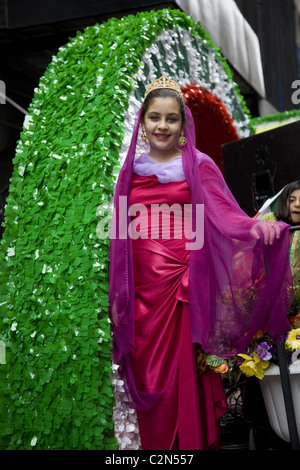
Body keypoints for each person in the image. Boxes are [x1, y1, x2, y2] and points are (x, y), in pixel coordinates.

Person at [108, 76, 294, 450]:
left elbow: (224, 216)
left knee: (183, 378)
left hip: (181, 284)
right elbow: (118, 232)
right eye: (155, 118)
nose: (162, 126)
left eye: (171, 119)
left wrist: (259, 231)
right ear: (142, 122)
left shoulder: (199, 165)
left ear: (182, 124)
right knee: (148, 379)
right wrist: (119, 293)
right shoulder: (128, 173)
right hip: (142, 293)